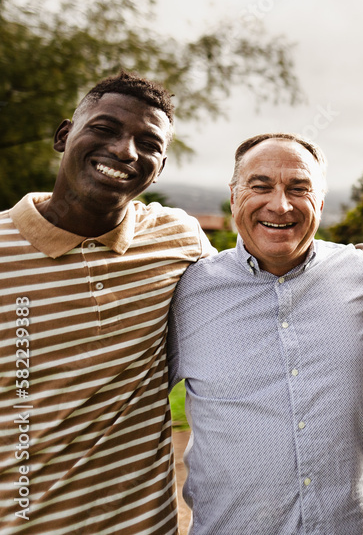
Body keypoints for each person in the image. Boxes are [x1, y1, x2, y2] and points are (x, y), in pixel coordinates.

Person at [0, 71, 212, 534]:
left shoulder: (178, 238)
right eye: (104, 129)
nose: (124, 150)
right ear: (63, 136)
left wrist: (359, 261)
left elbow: (261, 284)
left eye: (149, 143)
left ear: (160, 166)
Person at [167, 133, 363, 534]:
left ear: (320, 203)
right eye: (260, 186)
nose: (280, 204)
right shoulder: (185, 294)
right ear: (234, 197)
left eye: (298, 188)